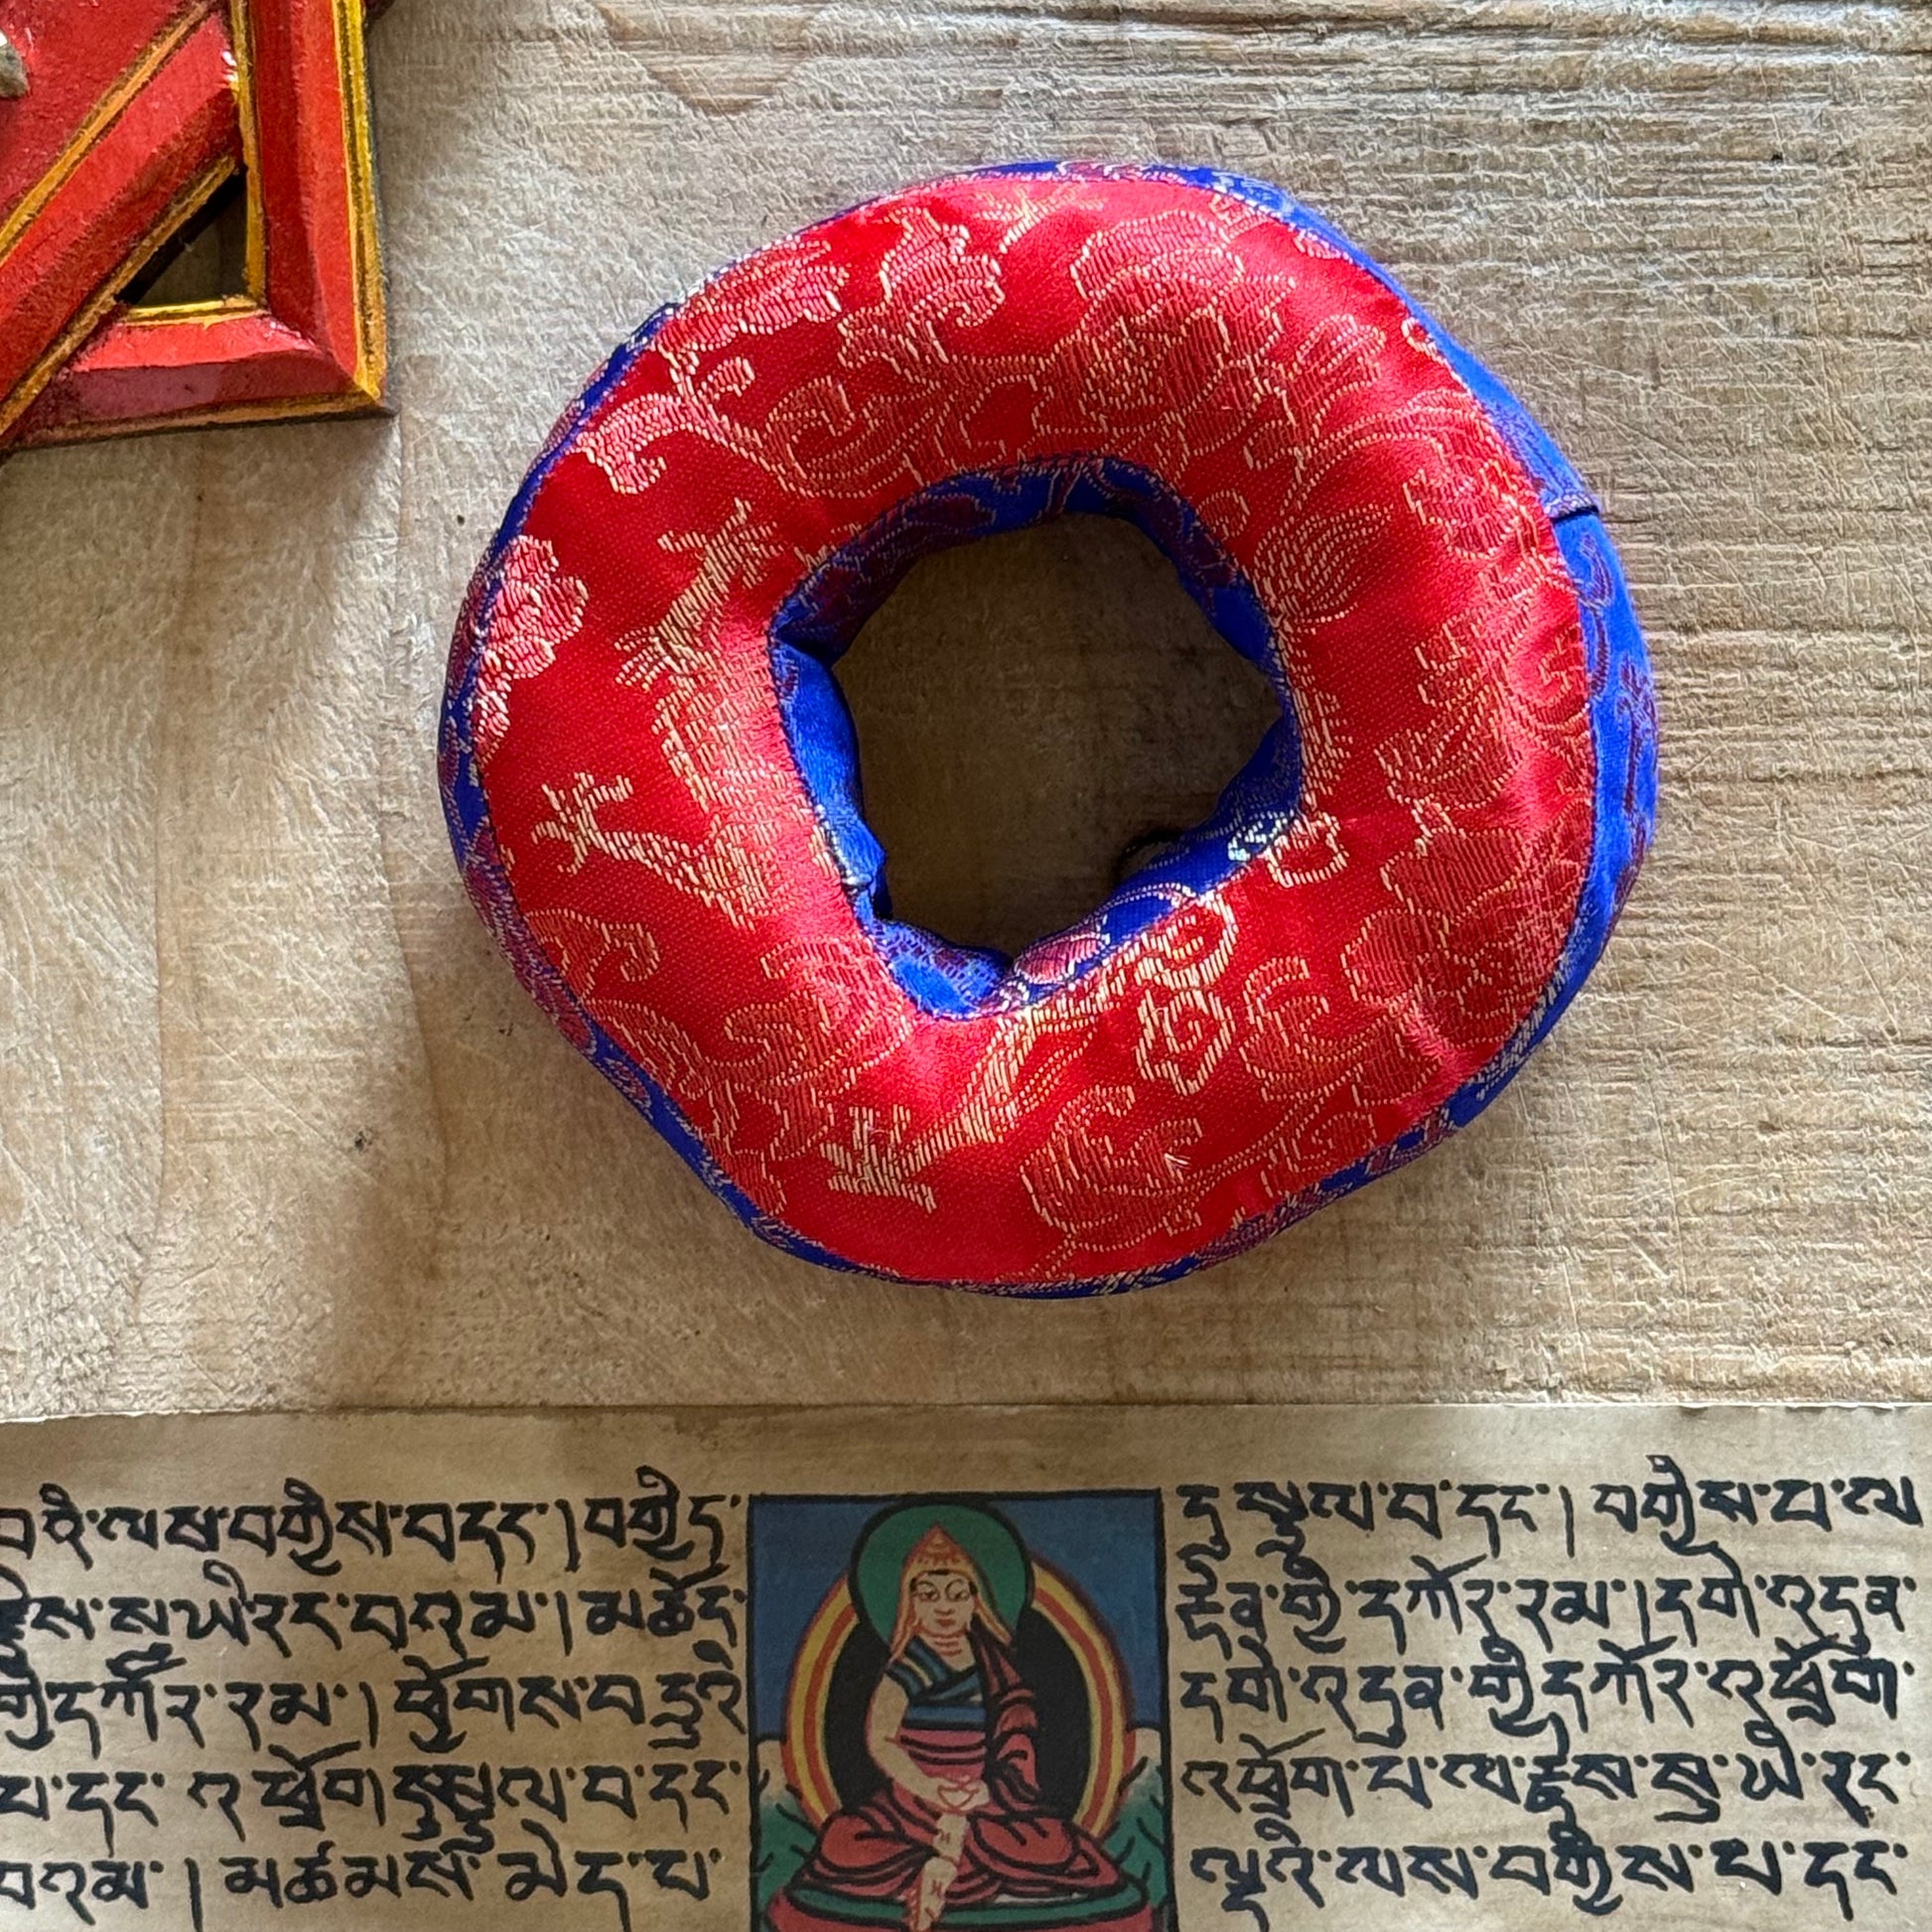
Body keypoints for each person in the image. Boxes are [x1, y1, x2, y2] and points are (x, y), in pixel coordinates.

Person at [768, 1525, 1153, 1932]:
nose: (944, 1607)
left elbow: (1016, 1738)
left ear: (976, 1602)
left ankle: (945, 1867)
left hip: (988, 1805)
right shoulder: (905, 1669)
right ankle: (930, 1867)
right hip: (911, 1807)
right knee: (843, 1844)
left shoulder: (995, 1667)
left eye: (957, 1593)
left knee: (1055, 1846)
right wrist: (927, 1787)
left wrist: (990, 1789)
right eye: (929, 1595)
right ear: (910, 1604)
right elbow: (881, 1740)